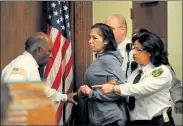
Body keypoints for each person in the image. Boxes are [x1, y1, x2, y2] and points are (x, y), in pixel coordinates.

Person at [93, 30, 175, 125]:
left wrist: (114, 88)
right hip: (136, 121)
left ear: (150, 52)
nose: (134, 52)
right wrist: (113, 85)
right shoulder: (136, 70)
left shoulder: (161, 71)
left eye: (138, 49)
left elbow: (141, 89)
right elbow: (128, 89)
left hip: (158, 121)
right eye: (133, 48)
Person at [105, 14, 183, 114]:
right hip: (128, 111)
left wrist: (178, 100)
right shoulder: (111, 52)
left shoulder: (159, 65)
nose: (135, 51)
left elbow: (143, 87)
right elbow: (127, 81)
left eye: (138, 48)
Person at [1, 32, 77, 105]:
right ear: (38, 50)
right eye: (49, 51)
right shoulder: (21, 65)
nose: (51, 55)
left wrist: (65, 97)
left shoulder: (29, 65)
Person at [78, 23, 128, 126]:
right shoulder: (101, 58)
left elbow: (123, 87)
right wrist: (85, 92)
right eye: (89, 37)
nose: (90, 41)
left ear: (105, 41)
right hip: (100, 118)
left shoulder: (108, 59)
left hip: (110, 118)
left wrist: (93, 93)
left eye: (94, 38)